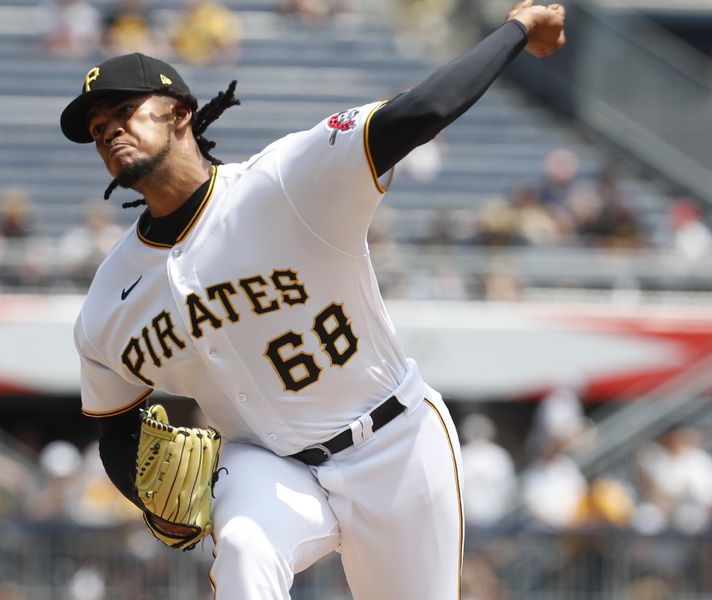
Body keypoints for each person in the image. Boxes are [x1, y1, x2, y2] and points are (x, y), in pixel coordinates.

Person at [60, 2, 565, 597]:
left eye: (124, 111)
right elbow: (116, 428)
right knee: (246, 548)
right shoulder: (107, 303)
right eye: (97, 129)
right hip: (263, 466)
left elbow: (423, 110)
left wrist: (517, 30)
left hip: (393, 444)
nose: (110, 130)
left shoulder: (285, 183)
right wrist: (149, 495)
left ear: (180, 113)